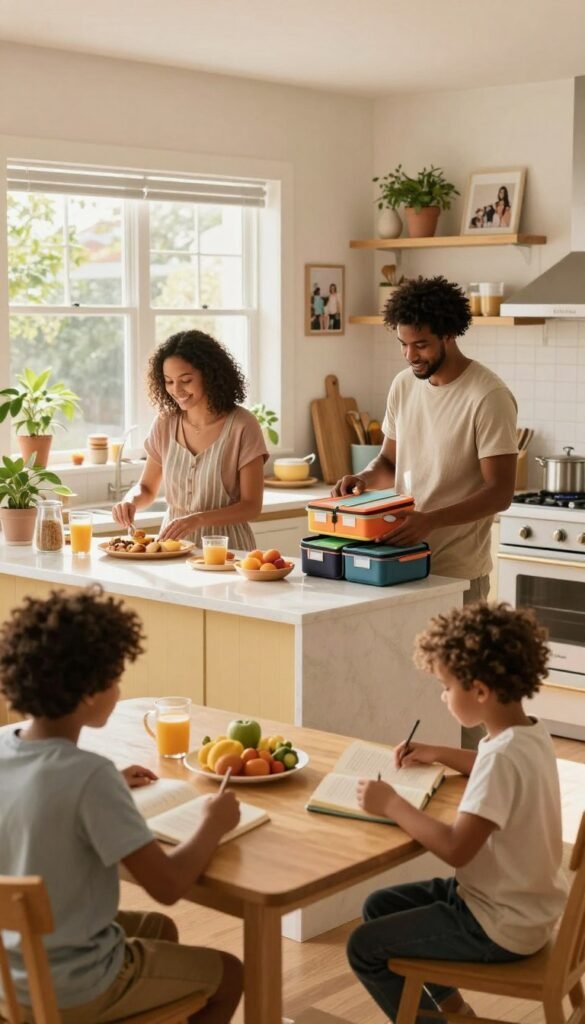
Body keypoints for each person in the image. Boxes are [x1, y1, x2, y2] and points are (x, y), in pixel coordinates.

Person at [0, 585, 243, 1024]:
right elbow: (168, 887)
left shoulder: (5, 747)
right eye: (115, 677)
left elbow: (40, 795)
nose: (118, 689)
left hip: (8, 973)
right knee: (229, 975)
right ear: (91, 692)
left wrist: (105, 784)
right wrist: (213, 822)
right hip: (73, 989)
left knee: (160, 933)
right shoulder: (89, 776)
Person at [347, 601, 567, 1022]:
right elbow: (490, 765)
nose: (443, 696)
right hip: (520, 906)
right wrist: (438, 753)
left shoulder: (501, 758)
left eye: (446, 686)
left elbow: (456, 848)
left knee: (364, 947)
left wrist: (391, 803)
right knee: (379, 905)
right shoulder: (528, 734)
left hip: (497, 925)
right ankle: (455, 1011)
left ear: (480, 691)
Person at [333, 276, 518, 604]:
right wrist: (362, 479)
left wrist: (430, 521)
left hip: (457, 574)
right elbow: (390, 462)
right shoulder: (404, 385)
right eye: (403, 344)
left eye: (420, 345)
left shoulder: (488, 396)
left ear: (448, 334)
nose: (410, 355)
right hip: (400, 564)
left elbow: (499, 493)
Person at [112, 329, 268, 547]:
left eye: (186, 380)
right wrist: (130, 501)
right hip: (173, 548)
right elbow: (147, 488)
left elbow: (252, 506)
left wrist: (198, 519)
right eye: (168, 381)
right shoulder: (165, 424)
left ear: (210, 375)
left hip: (227, 549)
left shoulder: (243, 425)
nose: (176, 390)